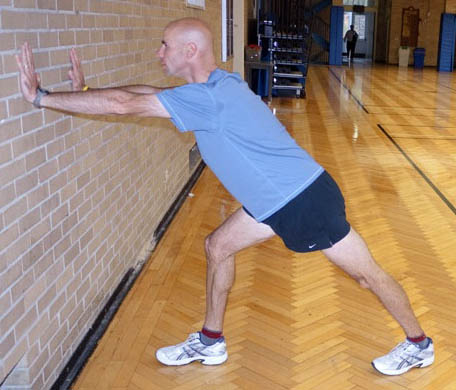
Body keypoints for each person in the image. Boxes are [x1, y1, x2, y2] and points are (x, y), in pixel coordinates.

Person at [16, 17, 434, 376]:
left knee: (367, 275)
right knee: (217, 246)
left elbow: (127, 104)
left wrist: (42, 98)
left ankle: (418, 344)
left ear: (189, 49)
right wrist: (88, 91)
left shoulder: (209, 98)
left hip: (303, 201)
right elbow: (143, 94)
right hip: (275, 200)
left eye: (166, 46)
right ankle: (211, 340)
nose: (160, 53)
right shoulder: (217, 84)